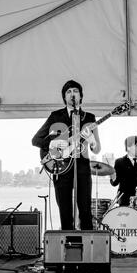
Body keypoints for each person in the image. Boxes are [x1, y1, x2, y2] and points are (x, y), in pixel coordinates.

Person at [32, 80, 101, 230]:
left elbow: (96, 149)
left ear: (81, 96)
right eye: (68, 92)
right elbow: (36, 140)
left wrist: (92, 141)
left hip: (82, 166)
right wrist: (53, 143)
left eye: (75, 91)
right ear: (64, 97)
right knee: (65, 210)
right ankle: (67, 246)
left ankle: (87, 248)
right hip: (60, 167)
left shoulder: (89, 117)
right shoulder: (55, 116)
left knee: (85, 210)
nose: (72, 94)